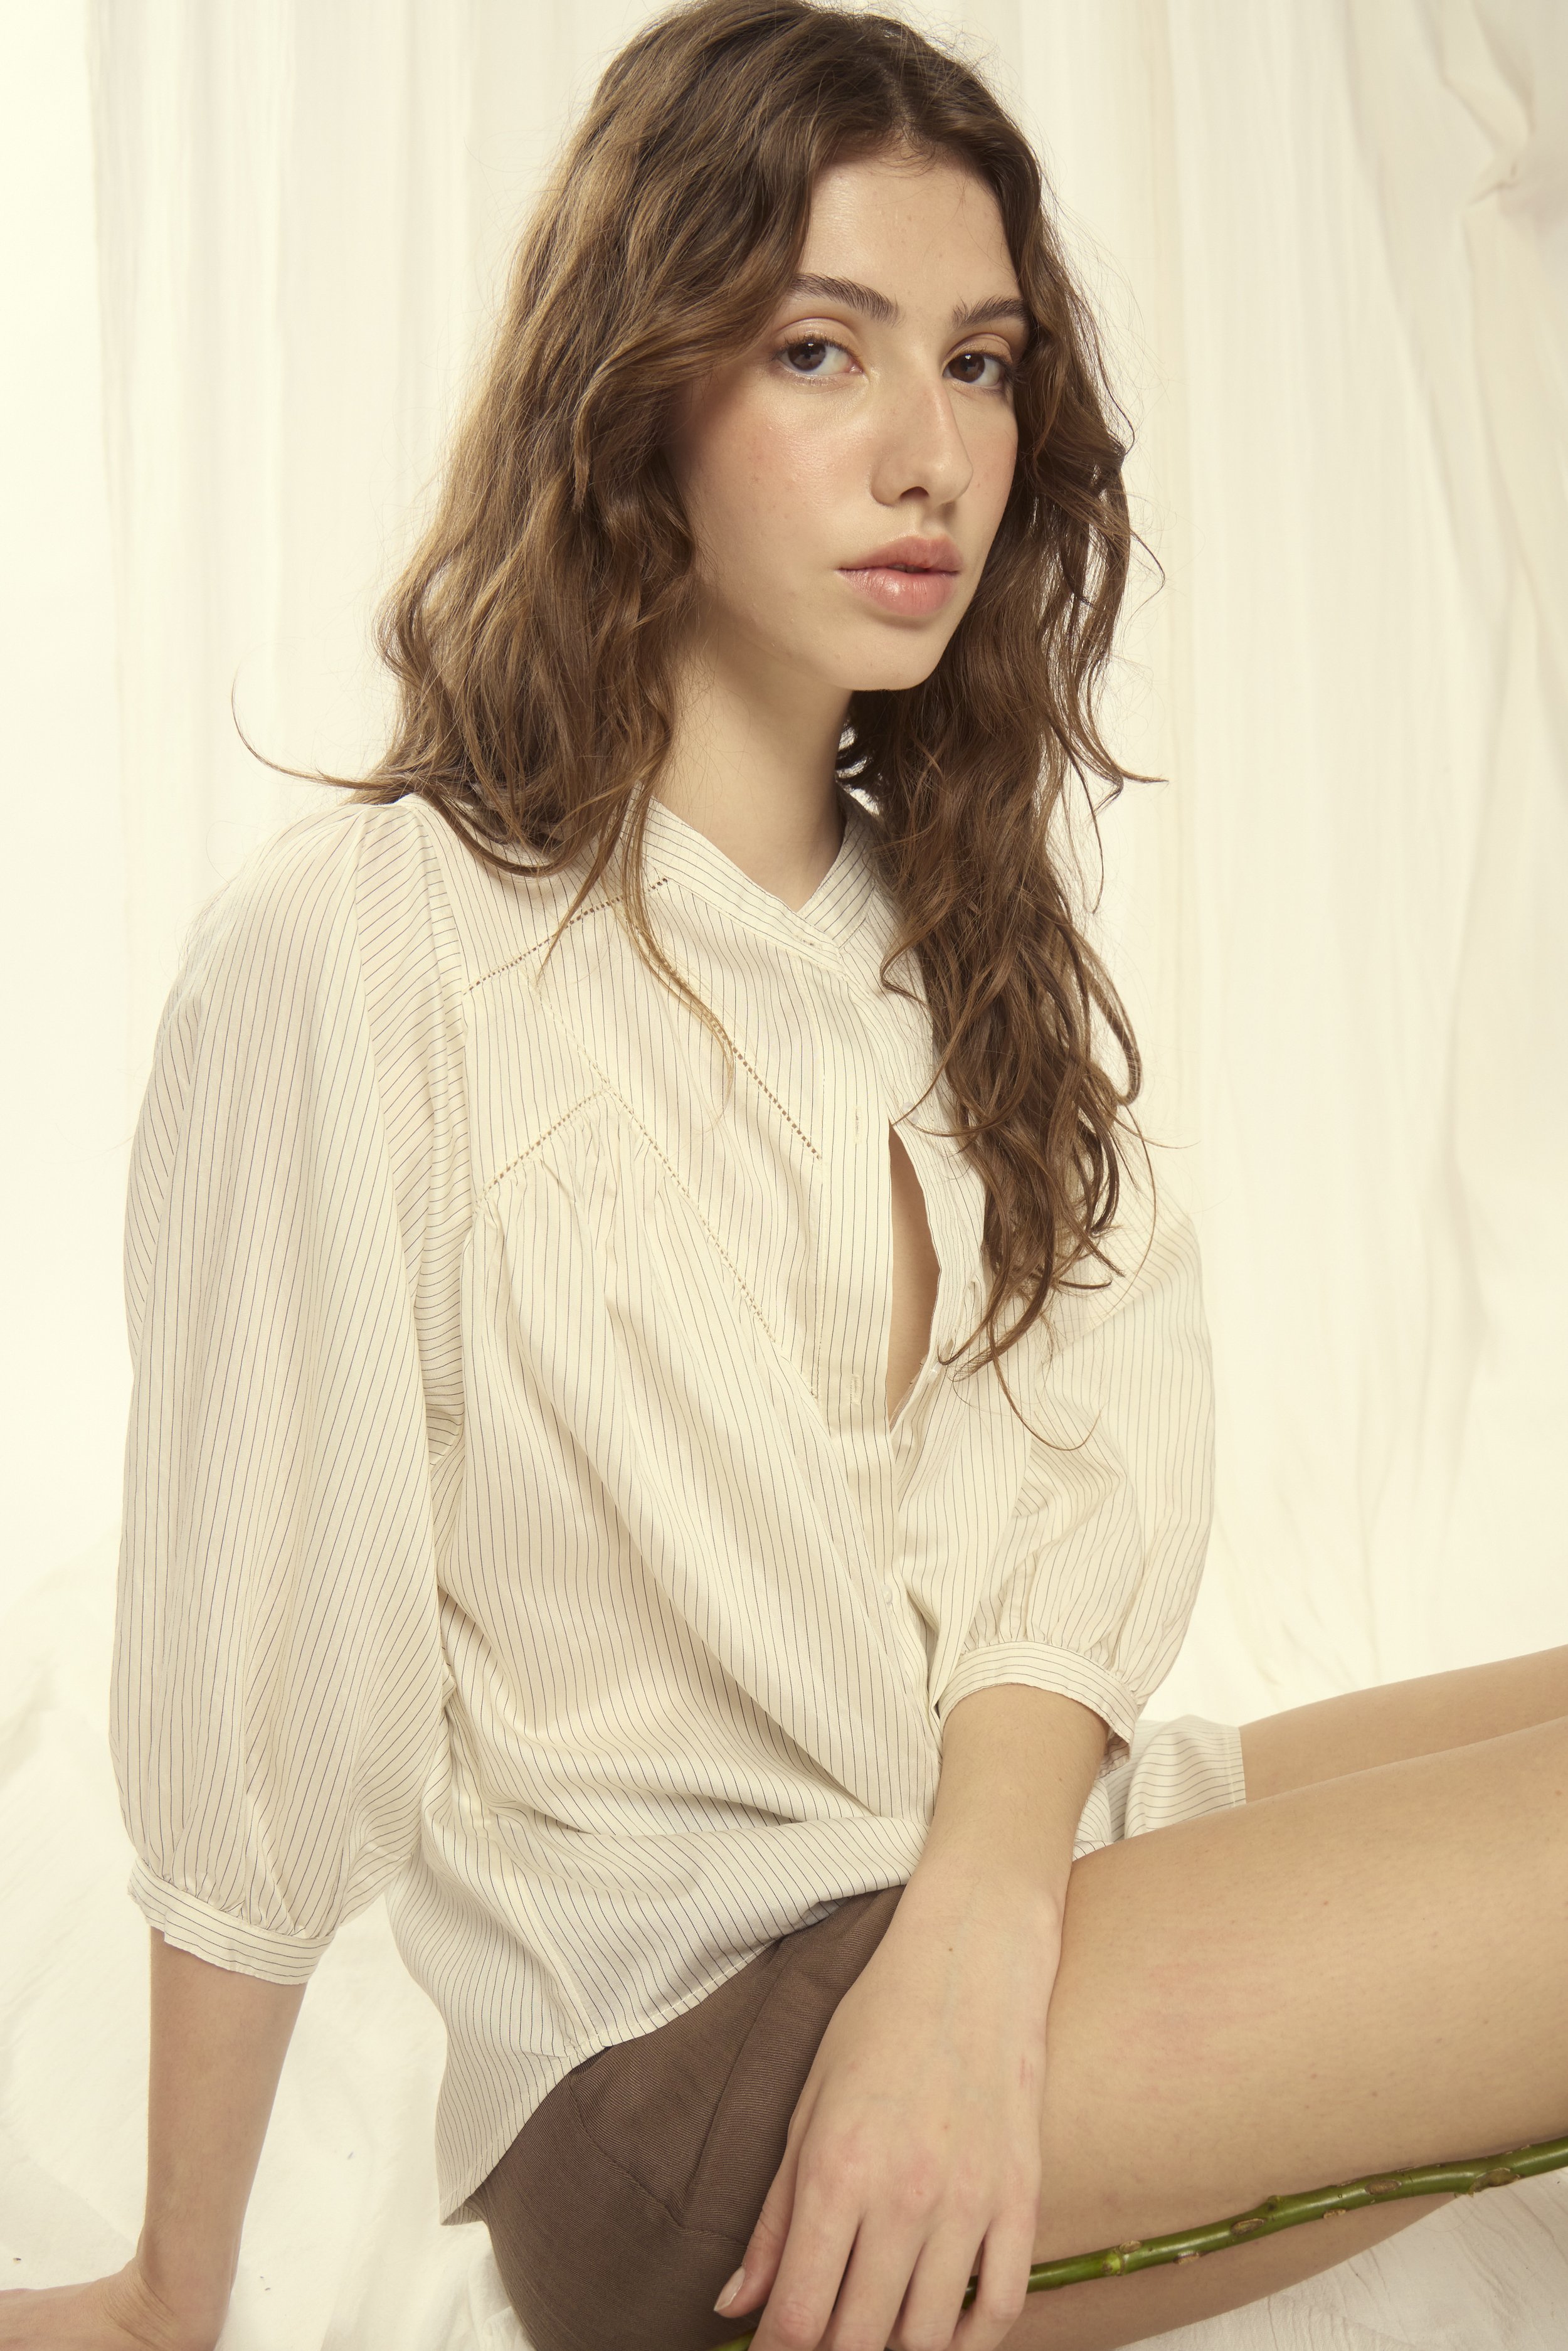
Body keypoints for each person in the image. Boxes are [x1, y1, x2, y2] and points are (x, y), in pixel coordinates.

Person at [6, 3, 1566, 2348]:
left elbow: (1076, 1498)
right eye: (823, 349)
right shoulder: (370, 951)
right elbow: (266, 1678)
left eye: (980, 359)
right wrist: (168, 2291)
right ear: (643, 386)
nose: (930, 452)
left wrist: (971, 1940)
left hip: (972, 1894)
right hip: (704, 2088)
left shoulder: (945, 942)